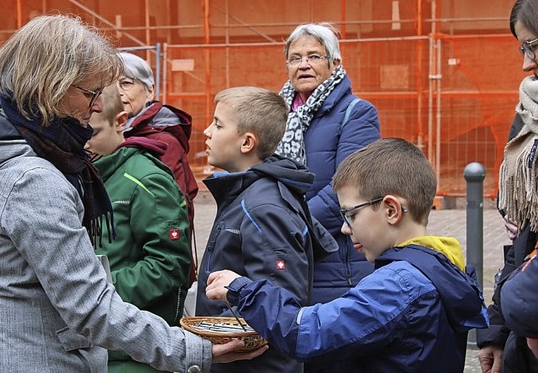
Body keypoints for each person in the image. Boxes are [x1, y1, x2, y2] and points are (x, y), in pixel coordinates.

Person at [0, 15, 266, 372]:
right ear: (52, 87)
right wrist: (190, 349)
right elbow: (91, 306)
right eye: (90, 93)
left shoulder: (15, 152)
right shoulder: (32, 180)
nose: (98, 105)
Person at [206, 138, 490, 372]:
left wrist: (242, 289)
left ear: (391, 210)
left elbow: (309, 333)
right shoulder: (439, 263)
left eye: (351, 214)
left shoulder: (398, 284)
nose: (344, 227)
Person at [195, 86, 337, 373]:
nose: (206, 132)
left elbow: (280, 310)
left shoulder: (264, 208)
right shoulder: (246, 193)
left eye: (218, 124)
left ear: (247, 143)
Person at [274, 27, 381, 360]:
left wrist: (287, 223)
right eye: (295, 58)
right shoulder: (275, 116)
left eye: (314, 56)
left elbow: (348, 190)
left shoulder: (357, 113)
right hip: (287, 257)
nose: (303, 65)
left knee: (334, 352)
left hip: (336, 262)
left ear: (335, 63)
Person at [84, 85, 193, 373]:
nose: (82, 143)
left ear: (120, 122)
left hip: (134, 354)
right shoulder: (82, 176)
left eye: (91, 133)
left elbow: (170, 265)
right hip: (95, 346)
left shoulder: (145, 179)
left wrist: (96, 288)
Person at [477, 0, 538, 372]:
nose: (526, 62)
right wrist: (497, 329)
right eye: (522, 47)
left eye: (535, 46)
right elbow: (520, 238)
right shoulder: (528, 113)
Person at [117, 52, 199, 284]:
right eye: (109, 84)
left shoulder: (164, 140)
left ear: (150, 90)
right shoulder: (103, 134)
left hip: (149, 269)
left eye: (126, 82)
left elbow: (174, 212)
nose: (117, 91)